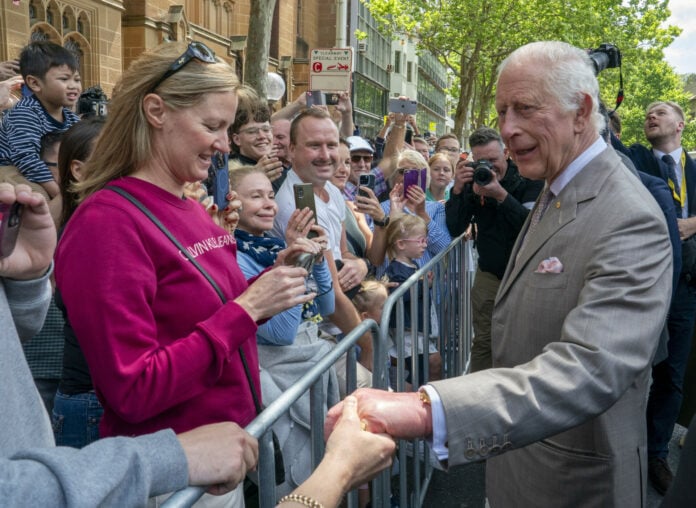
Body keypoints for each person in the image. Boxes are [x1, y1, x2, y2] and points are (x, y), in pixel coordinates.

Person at [326, 41, 673, 507]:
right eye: (502, 110)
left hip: (571, 482)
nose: (508, 129)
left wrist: (426, 408)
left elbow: (591, 366)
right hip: (520, 466)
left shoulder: (627, 214)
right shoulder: (558, 185)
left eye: (525, 109)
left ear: (581, 110)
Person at [53, 41, 311, 507]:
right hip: (174, 479)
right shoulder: (106, 222)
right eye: (212, 125)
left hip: (220, 465)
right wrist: (249, 308)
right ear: (155, 111)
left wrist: (268, 283)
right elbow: (133, 388)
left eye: (227, 128)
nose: (223, 144)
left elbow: (207, 312)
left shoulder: (187, 205)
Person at [611, 100, 696, 495]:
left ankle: (656, 453)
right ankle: (619, 452)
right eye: (647, 111)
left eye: (660, 111)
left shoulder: (694, 170)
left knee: (671, 377)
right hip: (640, 284)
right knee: (627, 372)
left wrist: (692, 223)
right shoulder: (633, 159)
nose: (651, 115)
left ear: (680, 124)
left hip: (686, 291)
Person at [272, 108, 375, 372]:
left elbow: (343, 252)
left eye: (331, 145)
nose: (326, 155)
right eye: (314, 146)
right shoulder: (298, 203)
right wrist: (370, 346)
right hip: (319, 332)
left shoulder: (330, 188)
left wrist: (360, 264)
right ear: (292, 150)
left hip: (343, 316)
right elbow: (333, 297)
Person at [445, 127, 542, 372]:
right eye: (481, 161)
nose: (488, 167)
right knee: (484, 343)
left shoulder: (528, 178)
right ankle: (477, 401)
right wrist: (458, 190)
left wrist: (500, 195)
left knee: (524, 342)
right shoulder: (472, 181)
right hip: (489, 275)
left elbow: (531, 226)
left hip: (526, 275)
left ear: (506, 153)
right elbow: (455, 227)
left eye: (493, 161)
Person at [0, 41, 81, 199]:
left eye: (76, 79)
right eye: (64, 79)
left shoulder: (70, 118)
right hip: (12, 167)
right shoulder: (25, 113)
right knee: (39, 197)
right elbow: (26, 158)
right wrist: (57, 193)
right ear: (35, 83)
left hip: (46, 167)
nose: (74, 86)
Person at [384, 214, 442, 387]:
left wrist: (427, 284)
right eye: (421, 240)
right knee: (420, 372)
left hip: (418, 330)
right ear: (401, 244)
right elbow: (400, 295)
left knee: (425, 368)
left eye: (426, 240)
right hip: (409, 332)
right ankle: (412, 405)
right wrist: (424, 285)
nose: (425, 244)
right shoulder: (395, 270)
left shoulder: (413, 265)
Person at [228, 93, 284, 185]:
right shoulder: (224, 173)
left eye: (266, 129)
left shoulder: (279, 168)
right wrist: (254, 176)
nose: (262, 136)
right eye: (252, 131)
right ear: (237, 139)